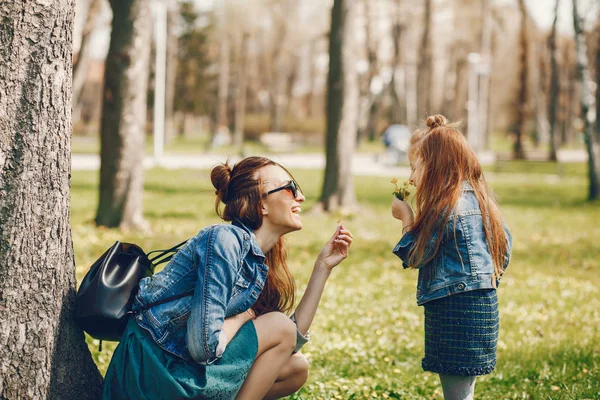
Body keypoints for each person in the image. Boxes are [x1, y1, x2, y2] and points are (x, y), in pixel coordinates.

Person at [102, 156, 354, 400]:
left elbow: (290, 341)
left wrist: (323, 267)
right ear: (261, 204)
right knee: (279, 327)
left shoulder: (257, 260)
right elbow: (202, 347)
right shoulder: (224, 240)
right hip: (153, 372)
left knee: (295, 369)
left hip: (179, 369)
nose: (301, 197)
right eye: (289, 188)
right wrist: (242, 317)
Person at [391, 115, 512, 400]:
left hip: (453, 313)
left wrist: (406, 218)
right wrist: (484, 282)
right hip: (483, 308)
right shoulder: (484, 202)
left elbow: (416, 255)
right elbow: (503, 251)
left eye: (414, 168)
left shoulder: (443, 207)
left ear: (434, 166)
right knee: (465, 389)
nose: (410, 178)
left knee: (456, 395)